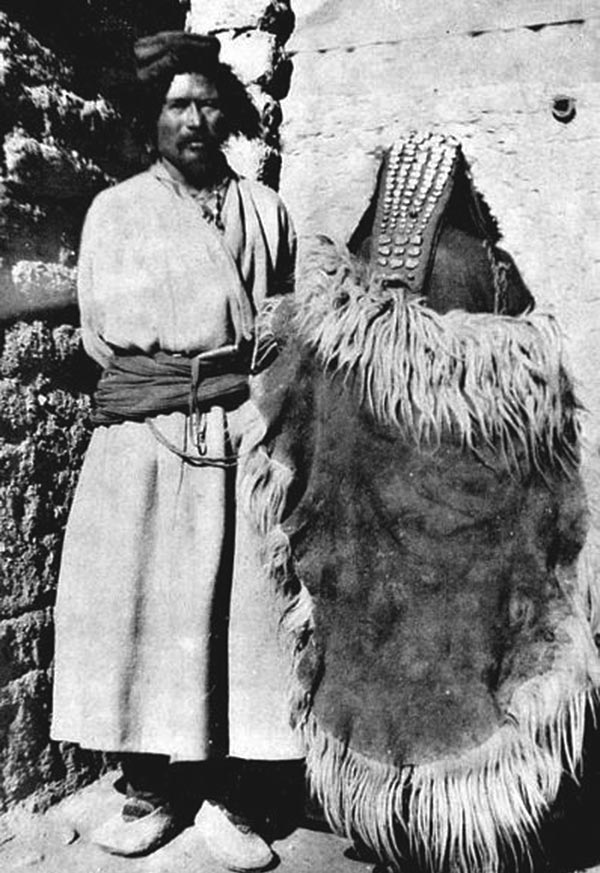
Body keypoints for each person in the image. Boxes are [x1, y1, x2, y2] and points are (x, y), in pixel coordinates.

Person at [49, 31, 301, 871]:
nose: (193, 120)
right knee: (142, 609)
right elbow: (98, 333)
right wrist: (170, 384)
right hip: (144, 436)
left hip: (238, 427)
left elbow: (282, 326)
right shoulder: (116, 211)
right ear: (150, 118)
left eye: (207, 104)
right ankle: (154, 789)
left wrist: (250, 404)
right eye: (175, 106)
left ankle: (231, 796)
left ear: (228, 113)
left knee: (240, 616)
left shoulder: (265, 212)